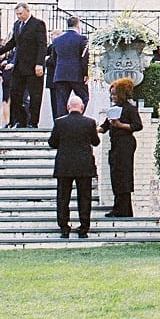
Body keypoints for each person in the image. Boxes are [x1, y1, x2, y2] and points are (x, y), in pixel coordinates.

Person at [48, 92, 100, 238]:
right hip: (84, 164)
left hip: (64, 164)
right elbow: (96, 142)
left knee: (63, 197)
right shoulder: (89, 123)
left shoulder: (59, 122)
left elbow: (52, 142)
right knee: (84, 197)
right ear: (82, 107)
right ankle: (84, 227)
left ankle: (64, 227)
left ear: (68, 107)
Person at [101, 78, 144, 218]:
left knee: (123, 174)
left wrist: (121, 126)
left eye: (115, 94)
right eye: (111, 94)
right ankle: (121, 207)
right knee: (116, 173)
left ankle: (121, 208)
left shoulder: (130, 109)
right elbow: (104, 127)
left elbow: (137, 125)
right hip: (116, 144)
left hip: (125, 144)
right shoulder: (112, 110)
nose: (113, 97)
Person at [1, 3, 48, 128]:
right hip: (19, 66)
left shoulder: (38, 24)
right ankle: (20, 120)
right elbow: (13, 42)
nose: (19, 16)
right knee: (15, 93)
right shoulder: (17, 25)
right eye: (17, 14)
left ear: (27, 11)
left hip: (33, 67)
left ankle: (33, 122)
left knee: (35, 96)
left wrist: (39, 64)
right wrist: (0, 51)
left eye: (20, 13)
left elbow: (42, 45)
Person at [46, 14, 90, 122]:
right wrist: (86, 73)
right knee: (84, 97)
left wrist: (58, 69)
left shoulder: (57, 40)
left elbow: (54, 58)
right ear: (78, 25)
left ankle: (62, 122)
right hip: (77, 74)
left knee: (61, 101)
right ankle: (76, 117)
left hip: (60, 73)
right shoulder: (82, 38)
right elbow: (84, 57)